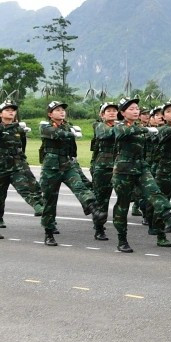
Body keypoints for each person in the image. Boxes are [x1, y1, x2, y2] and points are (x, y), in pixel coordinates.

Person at [110, 96, 171, 253]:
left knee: (154, 192)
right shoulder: (119, 126)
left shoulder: (140, 128)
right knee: (123, 204)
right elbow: (123, 133)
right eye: (131, 109)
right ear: (122, 113)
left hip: (141, 167)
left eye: (137, 108)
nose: (135, 111)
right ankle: (122, 239)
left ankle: (168, 218)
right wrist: (146, 129)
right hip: (123, 170)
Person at [39, 101, 105, 246]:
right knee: (50, 201)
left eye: (63, 110)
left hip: (68, 165)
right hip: (51, 168)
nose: (61, 112)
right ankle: (49, 233)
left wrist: (71, 133)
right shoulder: (45, 126)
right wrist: (71, 133)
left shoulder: (68, 126)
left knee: (80, 187)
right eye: (57, 110)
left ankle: (93, 208)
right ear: (50, 114)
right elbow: (56, 134)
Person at [0, 99, 44, 238]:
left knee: (25, 186)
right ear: (0, 114)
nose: (11, 112)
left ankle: (37, 207)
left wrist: (20, 159)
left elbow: (22, 146)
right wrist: (14, 126)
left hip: (16, 165)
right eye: (7, 110)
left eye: (13, 110)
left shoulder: (19, 129)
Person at [90, 101, 120, 240]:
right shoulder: (99, 126)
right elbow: (105, 134)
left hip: (119, 165)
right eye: (108, 111)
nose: (112, 113)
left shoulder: (122, 126)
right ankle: (99, 228)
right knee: (102, 199)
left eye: (114, 110)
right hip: (103, 167)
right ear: (102, 115)